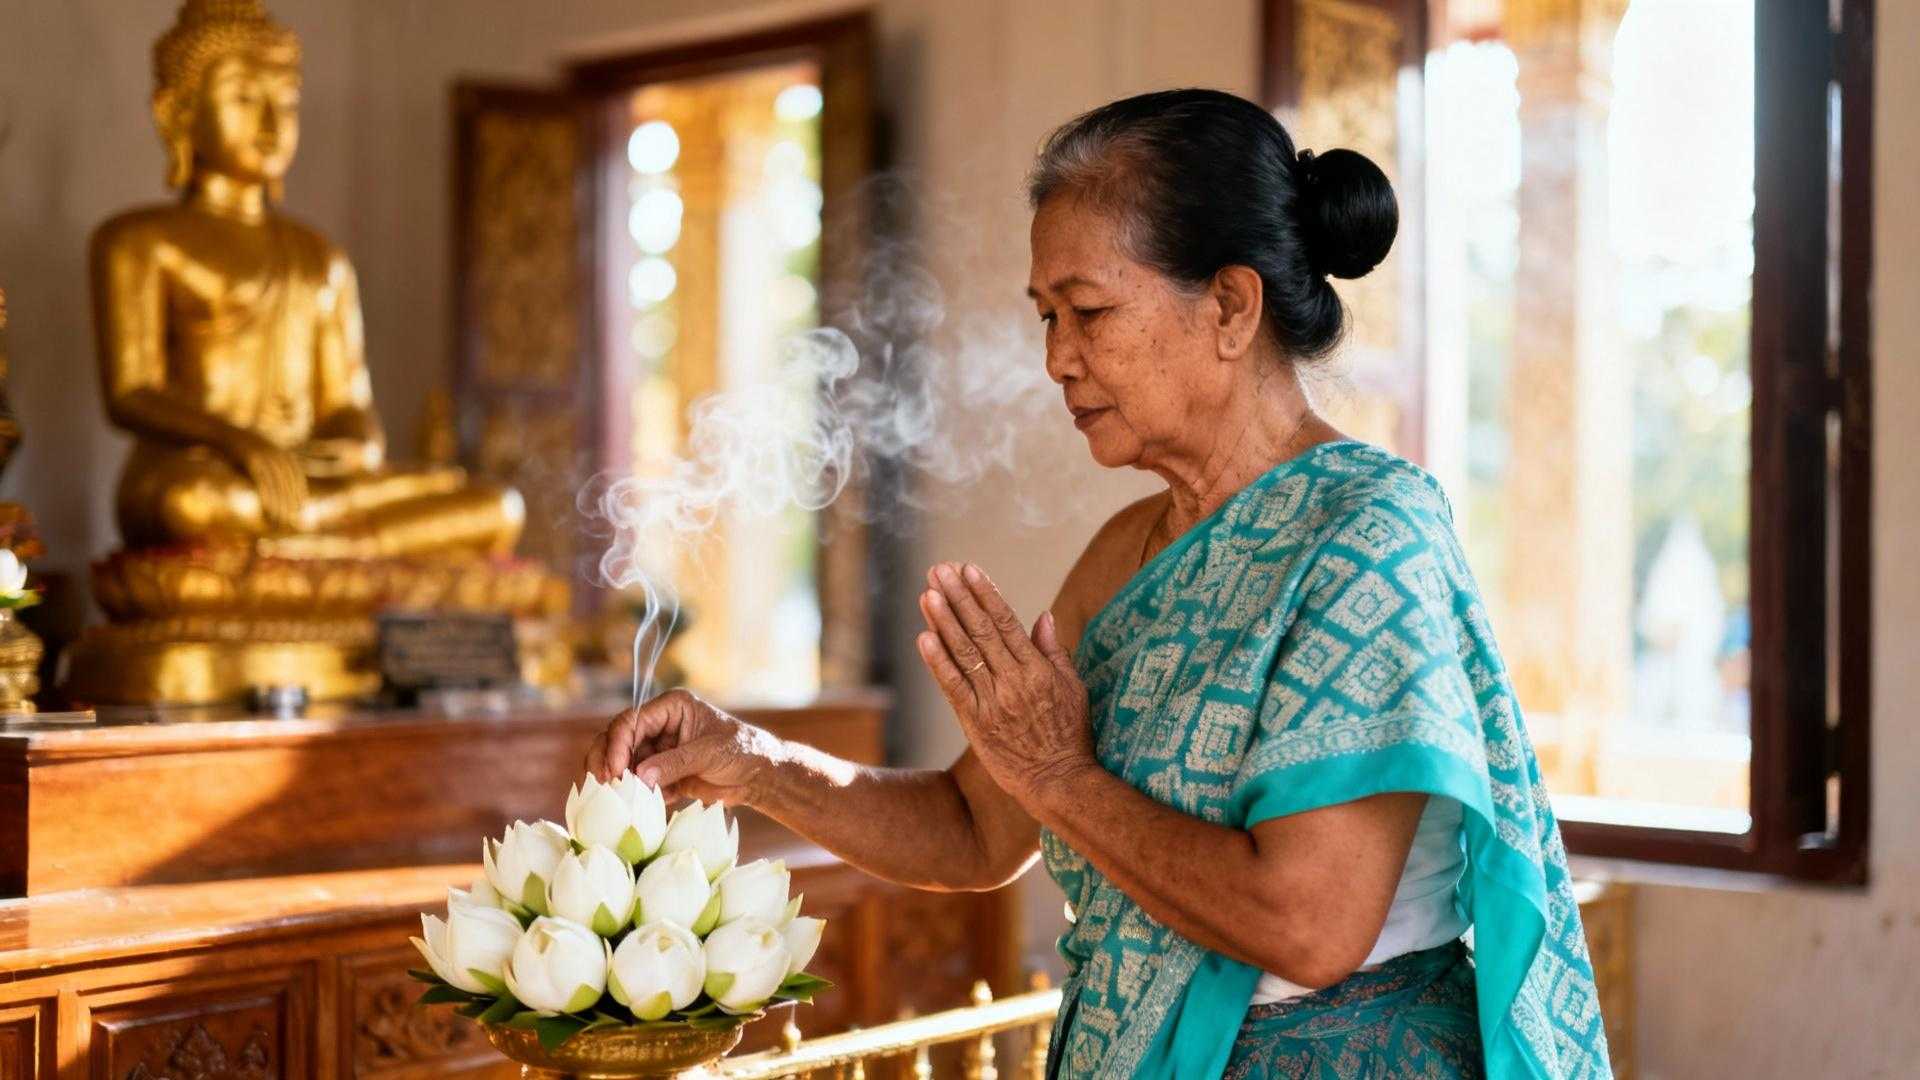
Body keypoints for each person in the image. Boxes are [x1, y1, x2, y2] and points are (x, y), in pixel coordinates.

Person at [588, 89, 1610, 1079]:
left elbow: (1309, 926)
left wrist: (1063, 780)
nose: (1057, 360)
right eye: (1044, 317)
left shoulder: (1367, 535)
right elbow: (979, 825)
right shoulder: (1131, 547)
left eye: (1087, 312)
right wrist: (750, 760)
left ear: (1229, 305)